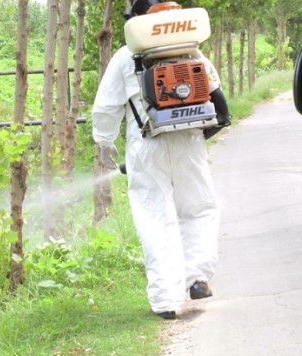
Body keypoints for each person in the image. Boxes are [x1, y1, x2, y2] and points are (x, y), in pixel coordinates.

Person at [93, 0, 222, 320]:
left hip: (146, 142)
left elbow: (106, 107)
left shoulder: (125, 56)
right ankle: (198, 279)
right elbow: (216, 92)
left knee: (154, 216)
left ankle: (166, 300)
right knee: (199, 207)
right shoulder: (191, 50)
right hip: (189, 138)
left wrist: (104, 142)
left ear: (136, 20)